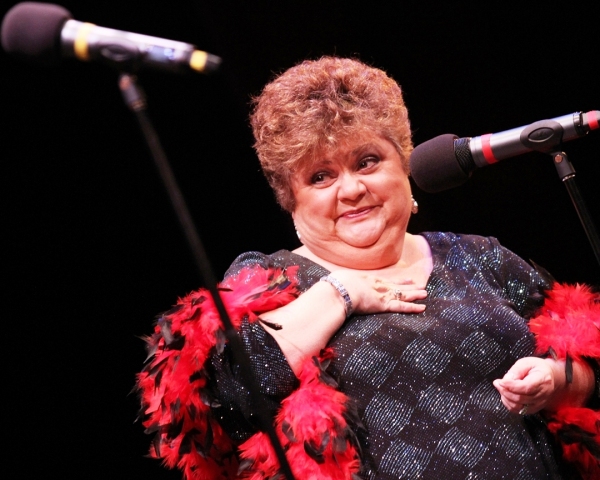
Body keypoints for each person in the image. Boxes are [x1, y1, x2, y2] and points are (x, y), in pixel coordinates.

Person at [137, 57, 599, 480]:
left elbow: (587, 358)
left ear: (404, 165)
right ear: (291, 200)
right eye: (321, 176)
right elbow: (218, 406)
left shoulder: (481, 257)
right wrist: (340, 292)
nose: (352, 188)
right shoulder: (271, 281)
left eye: (368, 161)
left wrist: (556, 381)